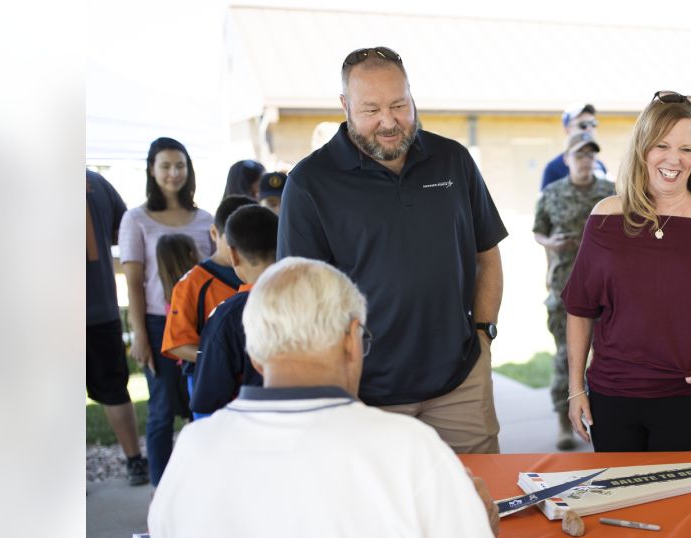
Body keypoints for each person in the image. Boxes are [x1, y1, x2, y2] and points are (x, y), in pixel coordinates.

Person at [149, 257, 548, 538]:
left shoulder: (192, 450)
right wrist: (478, 533)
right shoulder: (409, 449)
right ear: (352, 339)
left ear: (256, 355)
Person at [278, 46, 507, 454]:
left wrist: (483, 333)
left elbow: (486, 255)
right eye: (371, 110)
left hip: (460, 383)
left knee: (480, 505)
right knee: (386, 513)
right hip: (368, 395)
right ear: (345, 106)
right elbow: (300, 303)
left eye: (399, 105)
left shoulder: (453, 160)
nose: (389, 122)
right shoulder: (310, 183)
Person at [561, 91, 691, 451]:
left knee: (690, 507)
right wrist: (575, 389)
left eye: (686, 149)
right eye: (662, 145)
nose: (674, 159)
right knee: (620, 507)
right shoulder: (606, 216)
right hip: (614, 401)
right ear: (643, 148)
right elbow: (580, 309)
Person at [120, 137, 215, 486]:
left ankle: (199, 485)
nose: (174, 173)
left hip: (202, 323)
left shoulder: (204, 218)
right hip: (159, 324)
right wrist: (140, 334)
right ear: (151, 170)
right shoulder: (136, 219)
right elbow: (133, 282)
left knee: (202, 404)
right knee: (161, 410)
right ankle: (159, 491)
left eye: (180, 166)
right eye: (166, 166)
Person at [533, 131, 616, 450]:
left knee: (607, 357)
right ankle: (563, 422)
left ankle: (602, 418)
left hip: (606, 291)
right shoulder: (552, 193)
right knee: (567, 356)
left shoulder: (610, 192)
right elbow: (539, 231)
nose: (585, 161)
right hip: (565, 287)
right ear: (566, 159)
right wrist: (550, 243)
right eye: (579, 155)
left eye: (590, 155)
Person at [86, 170, 148, 485]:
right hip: (99, 306)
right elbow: (120, 232)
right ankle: (134, 460)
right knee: (114, 389)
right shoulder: (95, 182)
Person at [190, 205, 279, 415]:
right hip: (314, 425)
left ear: (233, 254)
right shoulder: (314, 299)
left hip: (251, 430)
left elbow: (207, 399)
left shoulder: (227, 316)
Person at [160, 195, 255, 369]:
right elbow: (177, 345)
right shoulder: (192, 283)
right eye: (234, 239)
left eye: (252, 238)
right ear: (214, 233)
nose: (243, 246)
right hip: (211, 381)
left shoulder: (269, 274)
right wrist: (221, 356)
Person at [540, 102, 609, 189]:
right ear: (567, 129)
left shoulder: (600, 165)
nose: (589, 129)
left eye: (593, 124)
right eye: (583, 125)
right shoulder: (554, 168)